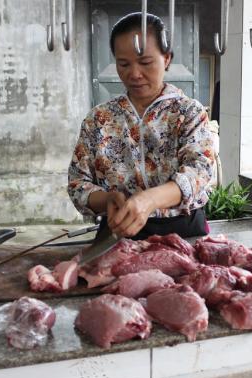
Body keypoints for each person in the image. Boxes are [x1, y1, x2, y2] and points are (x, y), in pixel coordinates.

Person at [68, 12, 215, 240]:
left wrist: (149, 199)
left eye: (145, 62)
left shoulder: (188, 113)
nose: (134, 74)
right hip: (118, 232)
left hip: (182, 231)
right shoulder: (99, 119)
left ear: (166, 58)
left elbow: (200, 170)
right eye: (123, 64)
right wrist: (107, 200)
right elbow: (78, 184)